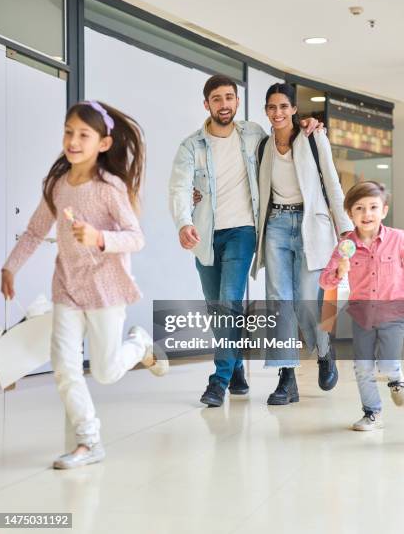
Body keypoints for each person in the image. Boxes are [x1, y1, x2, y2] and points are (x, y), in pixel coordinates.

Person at [1, 100, 168, 469]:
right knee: (65, 367)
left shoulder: (109, 188)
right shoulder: (57, 185)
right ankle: (88, 441)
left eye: (83, 135)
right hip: (67, 287)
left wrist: (98, 237)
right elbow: (33, 232)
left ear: (103, 144)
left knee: (106, 372)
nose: (73, 141)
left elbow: (135, 238)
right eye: (68, 132)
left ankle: (140, 343)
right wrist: (10, 268)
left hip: (106, 288)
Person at [169, 74, 320, 407]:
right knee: (215, 307)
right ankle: (236, 365)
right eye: (217, 99)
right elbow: (179, 188)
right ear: (206, 105)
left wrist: (308, 123)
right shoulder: (191, 146)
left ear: (237, 101)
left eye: (229, 97)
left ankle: (219, 380)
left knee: (229, 303)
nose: (224, 104)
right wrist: (183, 222)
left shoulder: (253, 134)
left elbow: (286, 137)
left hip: (243, 231)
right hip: (206, 235)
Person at [251, 82, 353, 405]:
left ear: (295, 109)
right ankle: (286, 378)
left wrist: (347, 231)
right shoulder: (263, 146)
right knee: (279, 300)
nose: (277, 112)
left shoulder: (313, 139)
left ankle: (324, 351)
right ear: (266, 110)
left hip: (312, 226)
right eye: (272, 107)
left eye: (283, 106)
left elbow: (333, 184)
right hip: (277, 226)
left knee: (307, 301)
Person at [320, 181, 404, 431]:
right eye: (359, 208)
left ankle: (396, 381)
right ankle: (372, 413)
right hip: (362, 315)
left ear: (384, 210)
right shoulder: (346, 245)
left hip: (393, 313)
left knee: (388, 363)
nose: (367, 214)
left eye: (373, 207)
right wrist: (338, 270)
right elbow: (324, 280)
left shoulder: (398, 239)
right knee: (363, 367)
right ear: (350, 213)